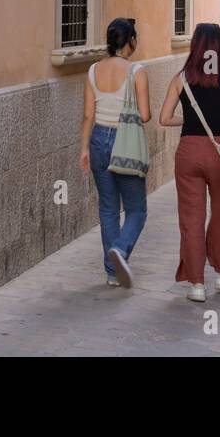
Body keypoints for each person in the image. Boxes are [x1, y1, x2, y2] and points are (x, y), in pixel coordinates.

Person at [158, 22, 220, 302]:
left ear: (195, 47)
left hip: (189, 152)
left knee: (191, 218)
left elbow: (164, 118)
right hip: (219, 152)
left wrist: (192, 120)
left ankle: (196, 284)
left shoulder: (180, 79)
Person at [79, 17, 151, 287]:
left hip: (98, 139)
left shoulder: (92, 70)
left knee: (108, 209)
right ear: (130, 41)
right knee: (136, 210)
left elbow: (88, 115)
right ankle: (120, 249)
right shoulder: (137, 71)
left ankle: (112, 273)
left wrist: (84, 148)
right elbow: (144, 115)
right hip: (126, 142)